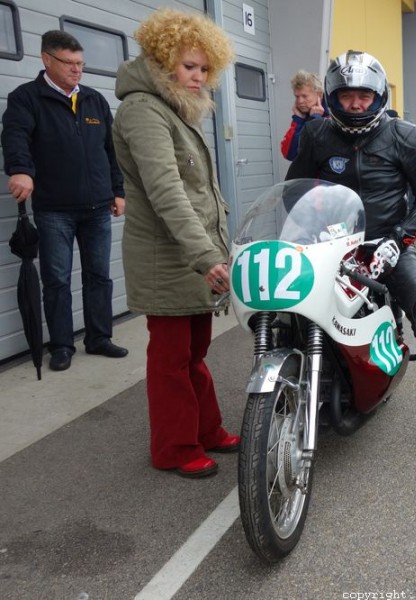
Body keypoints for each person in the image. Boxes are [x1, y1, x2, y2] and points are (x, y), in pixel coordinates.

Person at [286, 51, 416, 455]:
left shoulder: (403, 135)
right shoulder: (316, 135)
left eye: (364, 95)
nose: (355, 103)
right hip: (331, 246)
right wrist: (302, 230)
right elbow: (293, 191)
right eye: (348, 94)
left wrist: (401, 236)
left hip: (388, 243)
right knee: (292, 312)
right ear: (333, 95)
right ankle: (300, 391)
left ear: (378, 95)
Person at [111, 8, 240, 478]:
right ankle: (174, 447)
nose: (198, 77)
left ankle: (206, 430)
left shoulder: (175, 109)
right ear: (164, 61)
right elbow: (167, 191)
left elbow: (202, 191)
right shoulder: (143, 111)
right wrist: (206, 255)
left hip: (191, 259)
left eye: (205, 69)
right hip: (167, 260)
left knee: (194, 354)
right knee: (170, 362)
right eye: (189, 66)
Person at [2, 30, 128, 373]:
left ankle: (99, 338)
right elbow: (15, 137)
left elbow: (111, 151)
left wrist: (118, 191)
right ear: (47, 59)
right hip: (54, 208)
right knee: (57, 280)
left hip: (97, 207)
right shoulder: (26, 98)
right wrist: (20, 170)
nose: (77, 70)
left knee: (99, 276)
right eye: (70, 63)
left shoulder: (93, 100)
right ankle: (61, 345)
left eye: (80, 64)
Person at [279, 70, 326, 161]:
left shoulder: (333, 116)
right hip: (305, 175)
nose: (300, 101)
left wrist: (316, 120)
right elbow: (289, 154)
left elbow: (317, 154)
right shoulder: (302, 117)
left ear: (319, 95)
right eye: (297, 96)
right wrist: (298, 120)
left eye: (305, 96)